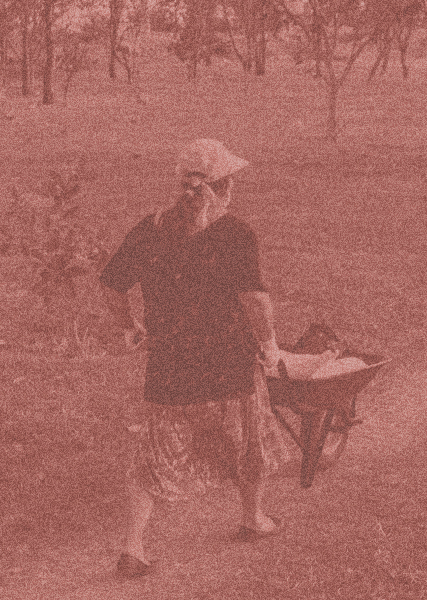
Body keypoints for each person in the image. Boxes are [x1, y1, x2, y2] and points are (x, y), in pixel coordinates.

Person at [98, 138, 297, 578]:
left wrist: (130, 328)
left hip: (169, 369)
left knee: (153, 458)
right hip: (228, 366)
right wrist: (269, 347)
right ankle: (252, 518)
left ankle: (133, 547)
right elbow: (255, 302)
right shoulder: (234, 233)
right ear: (224, 188)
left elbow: (112, 284)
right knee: (249, 442)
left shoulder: (149, 229)